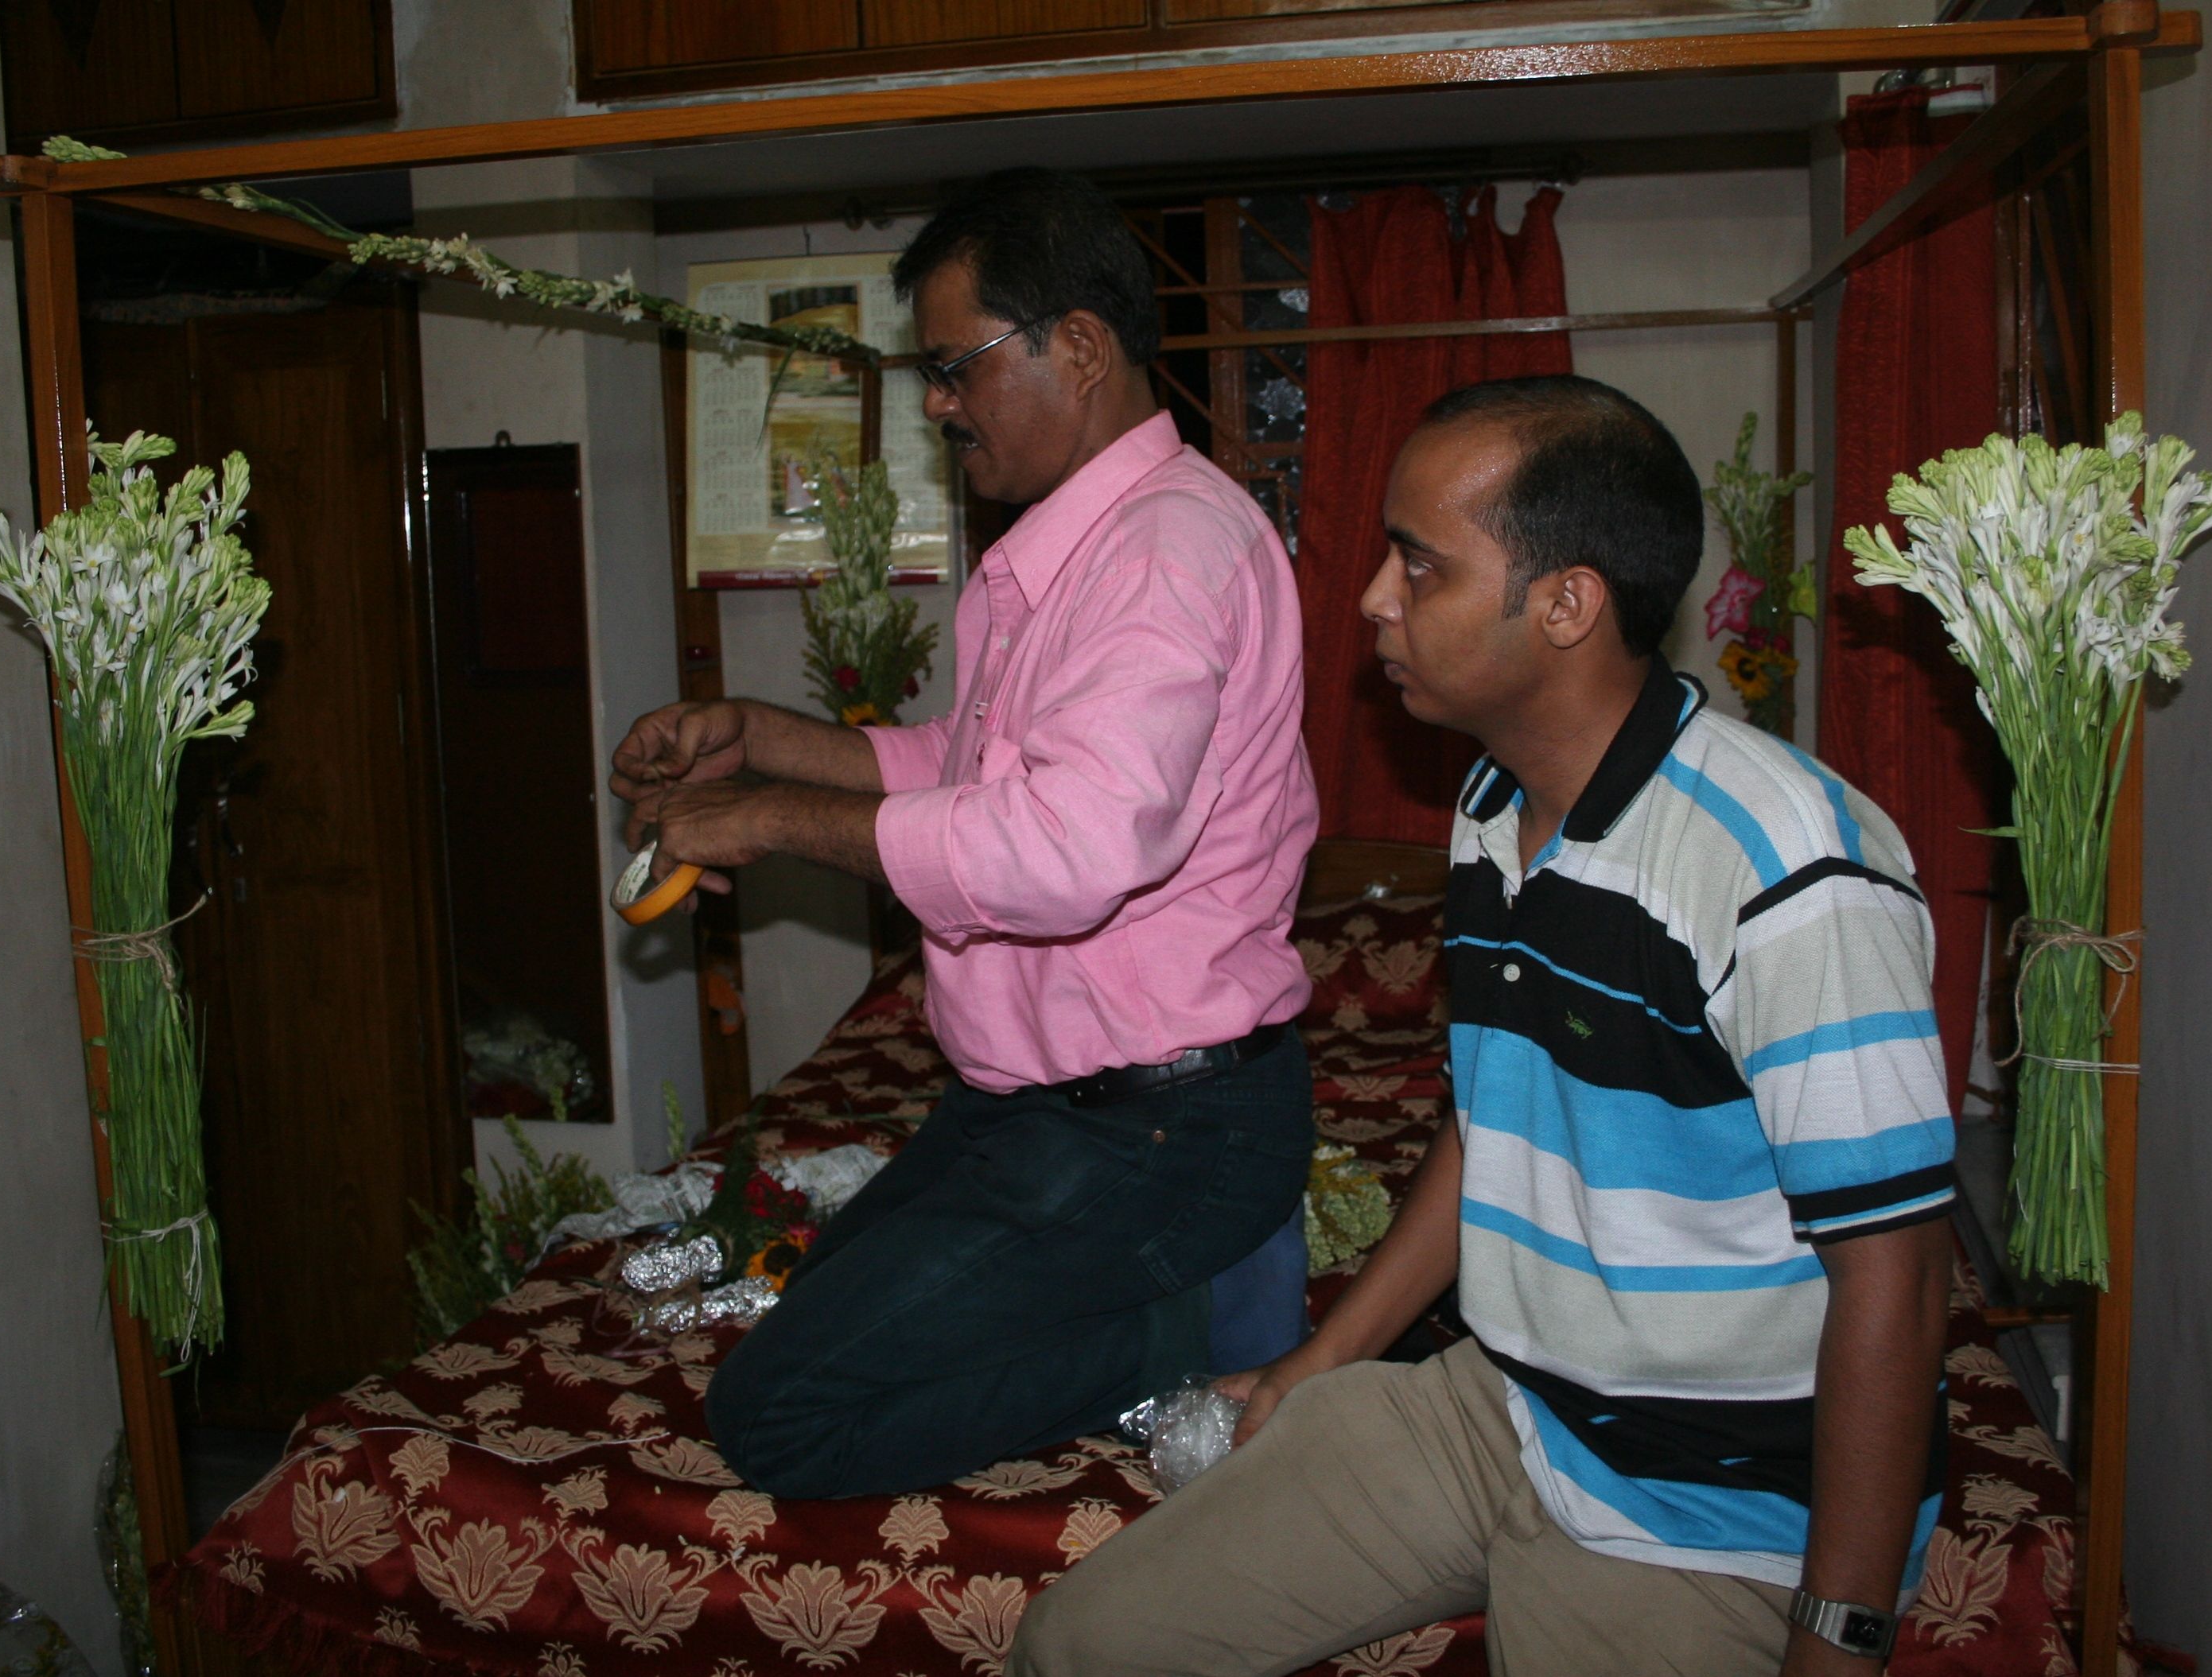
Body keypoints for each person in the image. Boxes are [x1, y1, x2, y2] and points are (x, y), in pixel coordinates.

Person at [1009, 375, 1956, 1677]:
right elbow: (1494, 1118)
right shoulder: (1493, 804)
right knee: (1079, 1643)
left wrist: (1838, 1634)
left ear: (1566, 604)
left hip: (1715, 1499)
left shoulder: (1787, 869)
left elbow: (1899, 1277)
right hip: (1508, 1401)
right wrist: (1321, 1361)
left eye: (1420, 565)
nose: (1373, 600)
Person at [608, 168, 1321, 1501]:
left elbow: (1067, 847)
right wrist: (757, 737)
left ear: (1080, 347)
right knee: (832, 1298)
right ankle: (1155, 1296)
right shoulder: (1078, 548)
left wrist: (768, 818)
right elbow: (963, 770)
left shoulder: (1162, 555)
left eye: (954, 368)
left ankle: (1193, 1324)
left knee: (779, 1410)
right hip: (1038, 1109)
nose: (938, 404)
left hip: (1160, 1132)